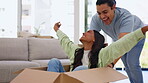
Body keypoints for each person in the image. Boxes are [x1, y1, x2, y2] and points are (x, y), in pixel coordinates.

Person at [47, 22, 148, 74]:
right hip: (69, 80)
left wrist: (143, 30)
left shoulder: (103, 54)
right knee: (53, 61)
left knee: (82, 69)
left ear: (95, 39)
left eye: (88, 32)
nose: (83, 33)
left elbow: (122, 43)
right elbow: (65, 40)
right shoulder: (76, 51)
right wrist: (56, 29)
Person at [89, 0, 146, 83]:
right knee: (126, 65)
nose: (102, 16)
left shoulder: (126, 17)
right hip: (119, 38)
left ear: (113, 7)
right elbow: (92, 37)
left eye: (105, 12)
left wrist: (111, 63)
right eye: (99, 13)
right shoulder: (96, 19)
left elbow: (123, 44)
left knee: (132, 63)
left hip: (136, 36)